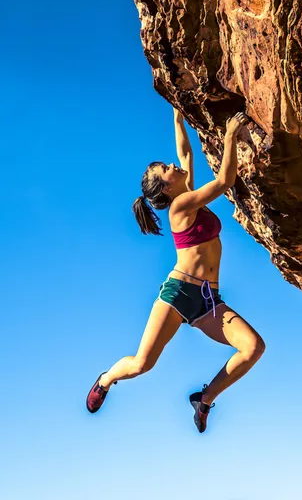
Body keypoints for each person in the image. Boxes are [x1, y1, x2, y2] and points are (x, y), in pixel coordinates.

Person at [86, 109, 265, 433]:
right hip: (178, 294)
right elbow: (225, 181)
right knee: (142, 364)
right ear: (166, 190)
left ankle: (205, 398)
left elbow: (184, 152)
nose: (172, 165)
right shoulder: (182, 207)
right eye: (165, 170)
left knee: (253, 348)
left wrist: (177, 118)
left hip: (208, 301)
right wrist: (229, 136)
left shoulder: (187, 197)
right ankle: (106, 378)